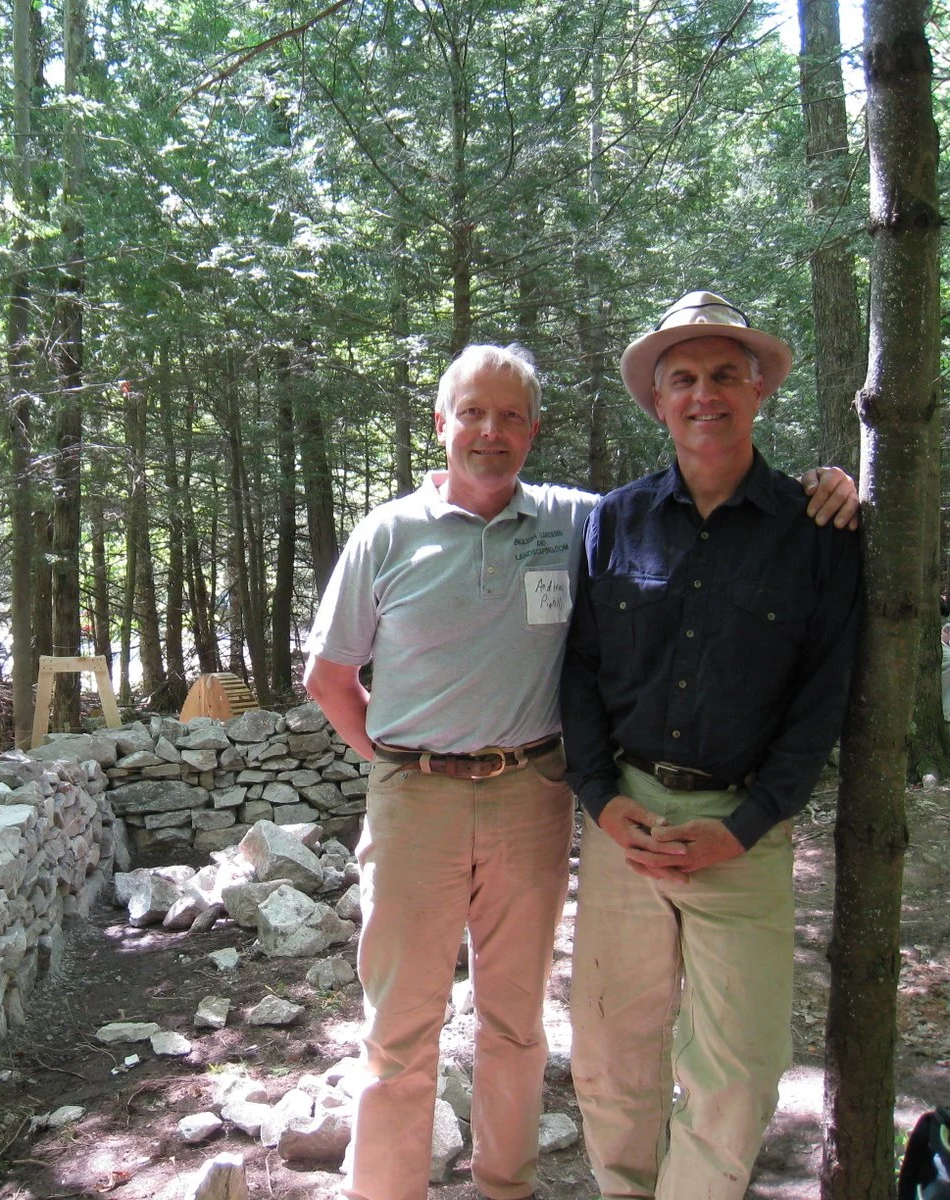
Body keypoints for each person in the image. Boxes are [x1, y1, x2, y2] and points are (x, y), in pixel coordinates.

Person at [303, 342, 858, 1200]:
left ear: (533, 431)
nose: (492, 431)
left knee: (517, 1023)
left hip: (532, 795)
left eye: (512, 415)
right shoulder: (388, 532)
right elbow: (328, 679)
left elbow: (696, 493)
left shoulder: (579, 521)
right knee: (399, 1031)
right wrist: (399, 765)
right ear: (441, 421)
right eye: (474, 413)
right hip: (416, 801)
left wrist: (832, 484)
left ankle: (506, 1186)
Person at [559, 292, 863, 1200]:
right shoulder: (612, 522)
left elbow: (823, 698)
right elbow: (578, 672)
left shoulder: (819, 528)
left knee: (739, 1072)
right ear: (657, 400)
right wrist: (600, 797)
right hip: (626, 821)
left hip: (743, 832)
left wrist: (750, 821)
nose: (705, 395)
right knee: (613, 1059)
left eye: (726, 374)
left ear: (759, 387)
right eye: (683, 378)